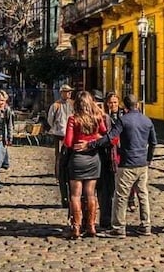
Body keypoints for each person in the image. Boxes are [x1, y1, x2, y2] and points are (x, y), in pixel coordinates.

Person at [101, 94, 157, 238]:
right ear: (137, 105)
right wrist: (149, 158)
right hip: (142, 163)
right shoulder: (147, 120)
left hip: (126, 163)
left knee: (121, 196)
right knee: (143, 195)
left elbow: (111, 137)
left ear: (124, 107)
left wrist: (93, 144)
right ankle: (146, 225)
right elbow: (153, 142)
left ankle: (119, 227)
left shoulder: (123, 120)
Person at [63, 90, 107, 238]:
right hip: (93, 159)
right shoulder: (97, 118)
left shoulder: (73, 119)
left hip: (77, 159)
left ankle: (76, 227)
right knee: (91, 194)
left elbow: (68, 142)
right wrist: (92, 140)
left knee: (75, 195)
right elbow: (104, 134)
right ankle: (91, 225)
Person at [98, 91, 123, 230]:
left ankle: (116, 217)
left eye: (115, 102)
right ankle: (106, 218)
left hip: (119, 155)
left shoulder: (123, 116)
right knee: (106, 189)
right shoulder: (103, 117)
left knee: (118, 189)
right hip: (106, 156)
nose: (113, 105)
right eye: (110, 102)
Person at [48, 84, 74, 179]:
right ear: (62, 93)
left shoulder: (73, 104)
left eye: (70, 92)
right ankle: (59, 175)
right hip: (59, 134)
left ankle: (68, 173)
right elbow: (50, 119)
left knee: (70, 154)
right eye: (67, 92)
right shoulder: (56, 105)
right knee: (59, 155)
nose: (69, 93)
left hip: (71, 134)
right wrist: (56, 127)